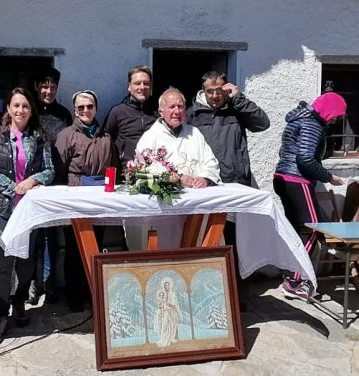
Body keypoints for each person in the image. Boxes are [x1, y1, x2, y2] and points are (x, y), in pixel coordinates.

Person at [187, 71, 270, 300]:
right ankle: (203, 290)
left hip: (234, 185)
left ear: (227, 89)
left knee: (234, 241)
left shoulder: (236, 109)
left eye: (219, 91)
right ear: (203, 91)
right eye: (210, 91)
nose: (215, 96)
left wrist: (238, 98)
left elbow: (263, 123)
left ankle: (234, 292)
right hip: (206, 187)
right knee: (205, 238)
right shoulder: (192, 114)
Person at [0, 87, 54, 343]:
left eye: (25, 106)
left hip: (29, 211)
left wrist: (32, 180)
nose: (20, 110)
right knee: (3, 264)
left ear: (30, 110)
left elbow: (49, 171)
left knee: (26, 263)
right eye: (16, 105)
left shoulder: (39, 137)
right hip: (3, 210)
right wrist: (15, 186)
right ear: (8, 109)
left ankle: (19, 304)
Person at [274, 92, 346, 300]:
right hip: (296, 179)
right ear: (329, 109)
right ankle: (294, 281)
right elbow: (305, 158)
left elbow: (285, 151)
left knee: (296, 229)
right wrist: (328, 177)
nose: (335, 120)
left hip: (283, 177)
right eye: (337, 116)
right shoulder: (312, 124)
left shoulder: (299, 119)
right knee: (312, 228)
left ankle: (289, 275)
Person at [54, 90, 118, 311]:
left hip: (100, 198)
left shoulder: (106, 136)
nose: (85, 111)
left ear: (96, 108)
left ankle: (93, 290)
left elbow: (114, 165)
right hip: (77, 194)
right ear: (75, 110)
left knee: (97, 246)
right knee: (74, 247)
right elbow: (59, 170)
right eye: (81, 107)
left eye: (89, 106)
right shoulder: (66, 135)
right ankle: (74, 294)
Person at [28, 67, 73, 305]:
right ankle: (32, 283)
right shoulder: (29, 111)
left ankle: (49, 281)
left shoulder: (63, 114)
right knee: (32, 234)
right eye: (44, 86)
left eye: (52, 87)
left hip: (56, 180)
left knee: (51, 237)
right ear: (37, 87)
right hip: (30, 182)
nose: (48, 91)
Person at [136, 87, 221, 187]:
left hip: (197, 194)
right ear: (161, 111)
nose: (177, 111)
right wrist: (174, 179)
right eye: (172, 107)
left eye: (180, 106)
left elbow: (210, 161)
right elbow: (142, 171)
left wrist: (205, 179)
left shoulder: (195, 133)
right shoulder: (150, 137)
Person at [104, 65, 157, 172]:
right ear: (129, 86)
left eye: (146, 83)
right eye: (137, 83)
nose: (142, 87)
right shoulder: (118, 112)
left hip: (154, 171)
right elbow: (105, 139)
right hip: (126, 171)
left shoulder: (158, 111)